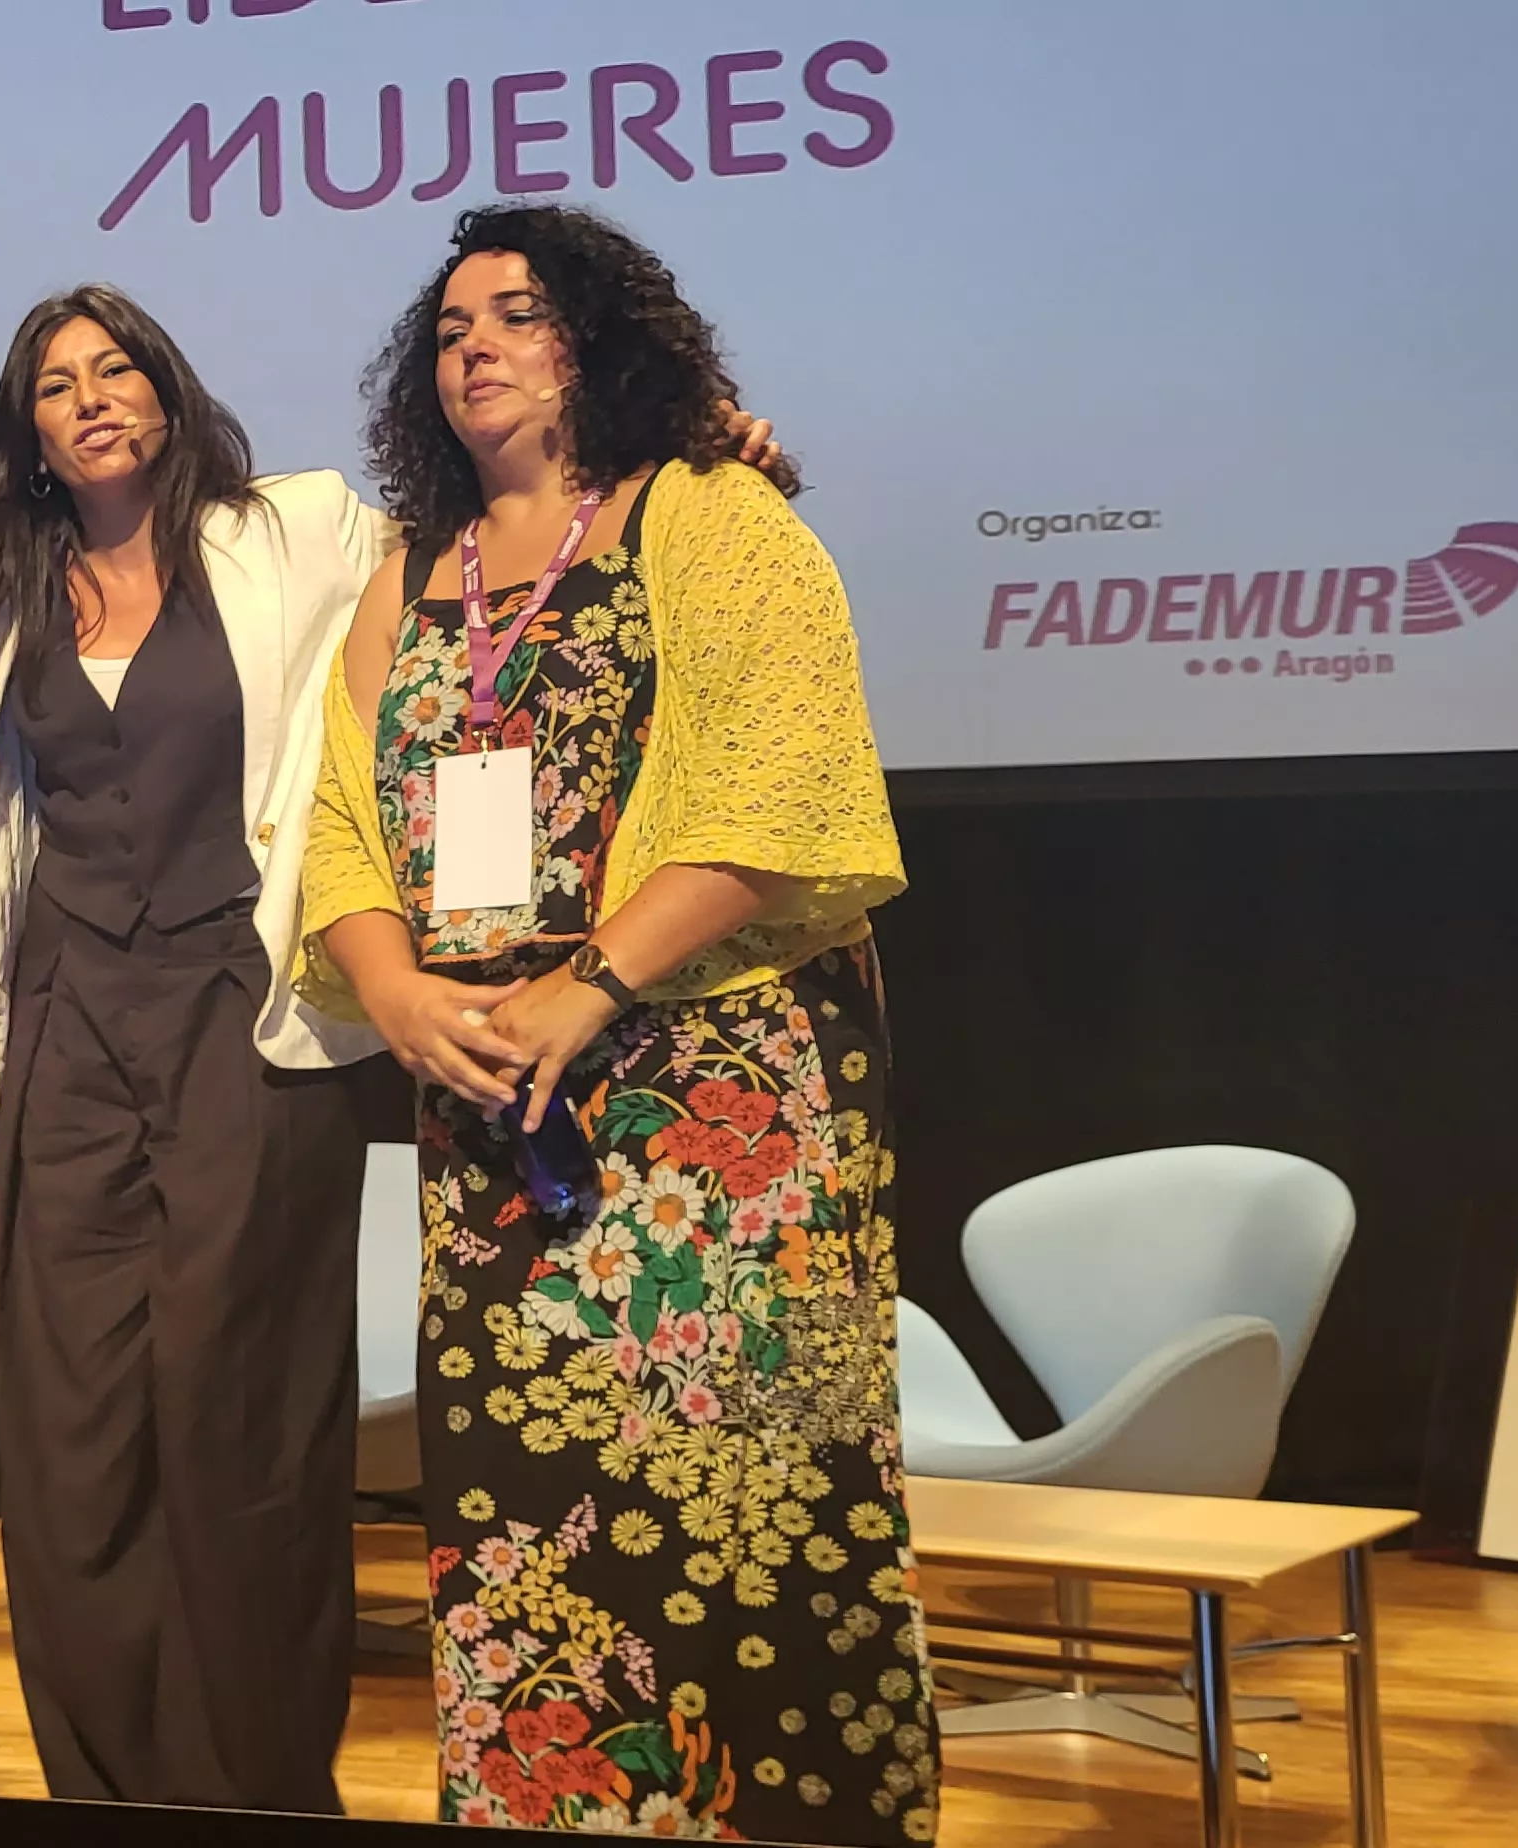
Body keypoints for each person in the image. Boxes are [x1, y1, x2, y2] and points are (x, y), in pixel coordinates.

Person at [293, 203, 933, 1841]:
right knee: (538, 1532)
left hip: (726, 1099)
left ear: (602, 342)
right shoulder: (405, 577)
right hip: (497, 1100)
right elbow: (339, 828)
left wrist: (591, 985)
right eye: (450, 330)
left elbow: (782, 780)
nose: (478, 347)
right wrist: (389, 984)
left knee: (761, 1505)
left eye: (519, 314)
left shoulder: (711, 514)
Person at [0, 284, 405, 1815]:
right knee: (69, 1424)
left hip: (242, 1016)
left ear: (167, 387)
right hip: (72, 1031)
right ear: (31, 436)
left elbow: (486, 549)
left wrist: (700, 453)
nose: (92, 396)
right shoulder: (10, 603)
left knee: (235, 1415)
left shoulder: (297, 531)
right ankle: (107, 1781)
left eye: (117, 366)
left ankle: (260, 1784)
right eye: (58, 382)